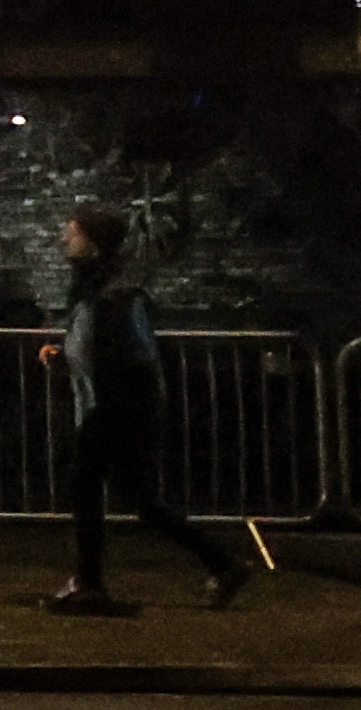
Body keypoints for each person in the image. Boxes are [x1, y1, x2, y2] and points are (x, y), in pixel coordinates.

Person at [51, 200, 247, 614]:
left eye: (74, 233)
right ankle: (222, 563)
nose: (65, 239)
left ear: (93, 243)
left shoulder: (117, 294)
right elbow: (91, 344)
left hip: (117, 409)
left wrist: (116, 406)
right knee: (137, 499)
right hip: (113, 407)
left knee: (89, 485)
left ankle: (91, 584)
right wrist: (62, 356)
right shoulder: (96, 286)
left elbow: (135, 356)